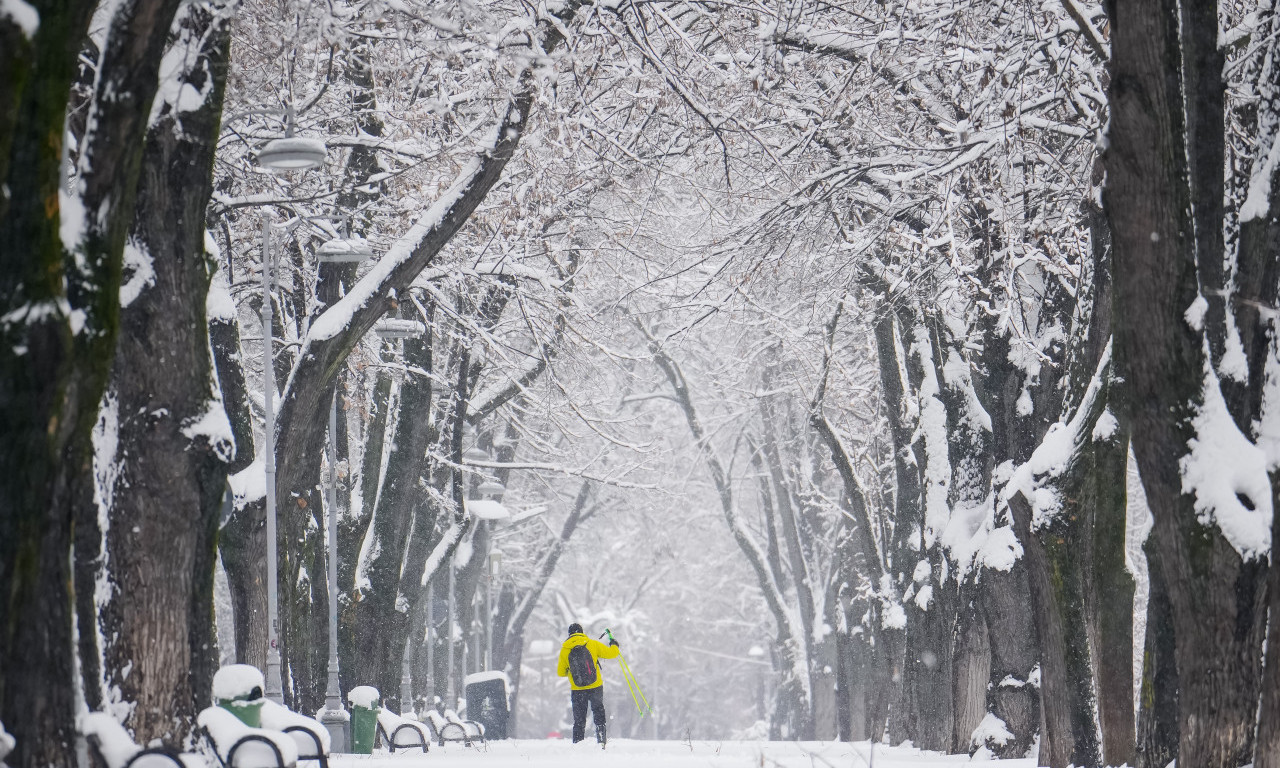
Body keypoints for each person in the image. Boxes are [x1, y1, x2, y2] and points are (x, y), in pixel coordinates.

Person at [557, 622, 620, 745]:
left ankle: (578, 742)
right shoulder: (592, 644)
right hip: (595, 685)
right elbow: (612, 654)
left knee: (579, 718)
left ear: (569, 634)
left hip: (577, 688)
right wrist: (614, 645)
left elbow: (560, 672)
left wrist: (572, 672)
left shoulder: (565, 649)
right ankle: (601, 740)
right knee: (598, 711)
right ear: (582, 632)